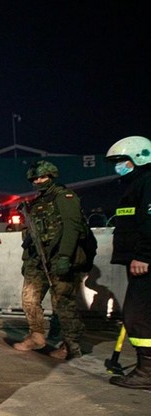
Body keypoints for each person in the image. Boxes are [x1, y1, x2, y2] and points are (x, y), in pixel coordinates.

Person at [13, 160, 87, 360]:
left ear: (52, 177)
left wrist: (64, 256)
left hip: (60, 257)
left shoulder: (65, 197)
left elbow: (72, 228)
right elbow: (32, 234)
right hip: (39, 259)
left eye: (42, 177)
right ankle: (36, 336)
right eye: (35, 178)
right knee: (29, 298)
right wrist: (27, 260)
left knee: (63, 303)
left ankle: (71, 346)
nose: (38, 181)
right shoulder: (37, 202)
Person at [105, 136, 151, 389]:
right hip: (140, 260)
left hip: (145, 262)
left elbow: (149, 222)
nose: (118, 166)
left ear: (138, 158)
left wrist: (144, 255)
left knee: (138, 316)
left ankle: (147, 372)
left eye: (122, 161)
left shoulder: (147, 183)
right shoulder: (137, 185)